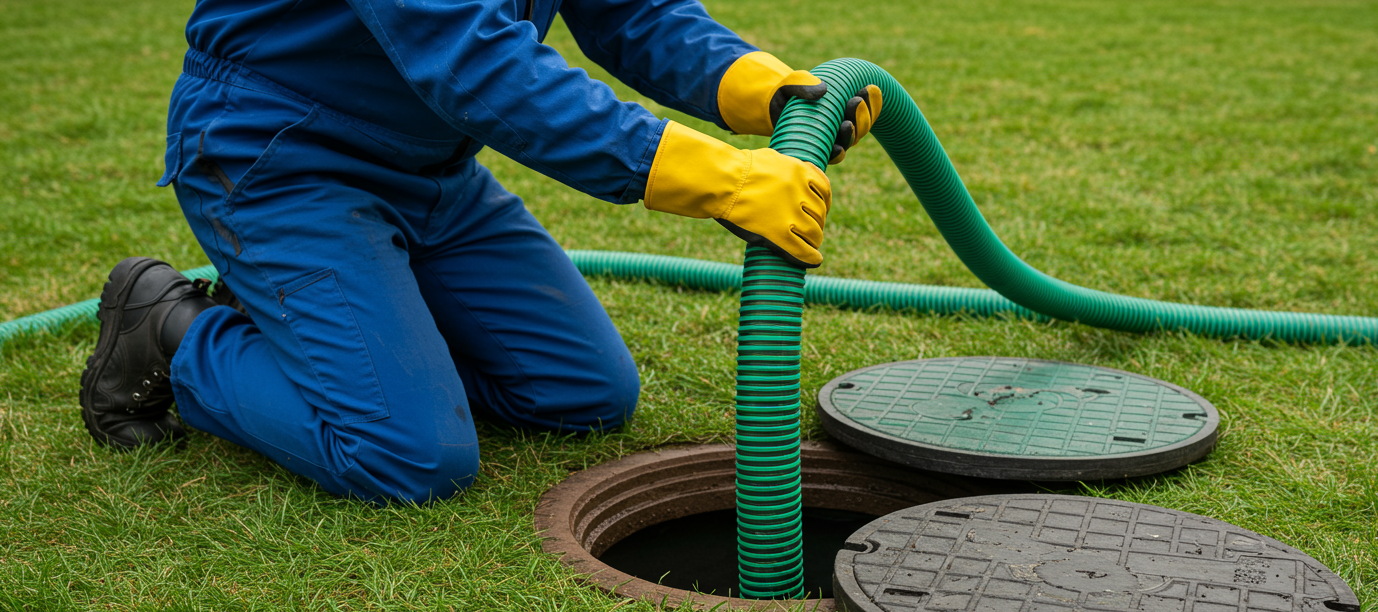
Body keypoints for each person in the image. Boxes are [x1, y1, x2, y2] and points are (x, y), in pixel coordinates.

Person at [79, 0, 881, 504]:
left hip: (431, 171)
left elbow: (634, 11)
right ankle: (173, 331)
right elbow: (476, 64)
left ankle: (358, 341)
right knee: (407, 455)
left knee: (584, 393)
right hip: (281, 160)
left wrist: (761, 87)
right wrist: (714, 178)